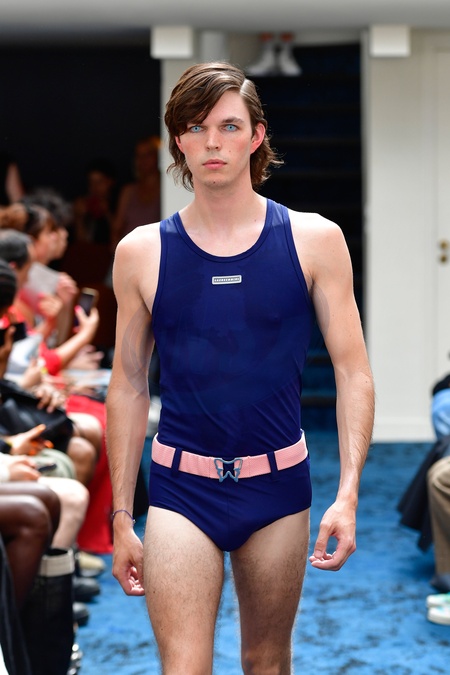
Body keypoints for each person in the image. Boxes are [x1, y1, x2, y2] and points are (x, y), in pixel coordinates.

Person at [107, 61, 374, 673]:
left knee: (266, 661)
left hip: (278, 484)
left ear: (256, 137)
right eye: (195, 128)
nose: (212, 142)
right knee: (184, 666)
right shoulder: (141, 251)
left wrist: (349, 494)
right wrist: (121, 516)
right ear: (178, 141)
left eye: (228, 126)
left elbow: (352, 371)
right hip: (181, 487)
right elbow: (128, 383)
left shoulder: (315, 240)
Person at [110, 135, 160, 248]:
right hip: (129, 251)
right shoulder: (128, 191)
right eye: (139, 155)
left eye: (148, 154)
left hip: (157, 252)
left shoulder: (168, 192)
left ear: (157, 156)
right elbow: (117, 228)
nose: (143, 160)